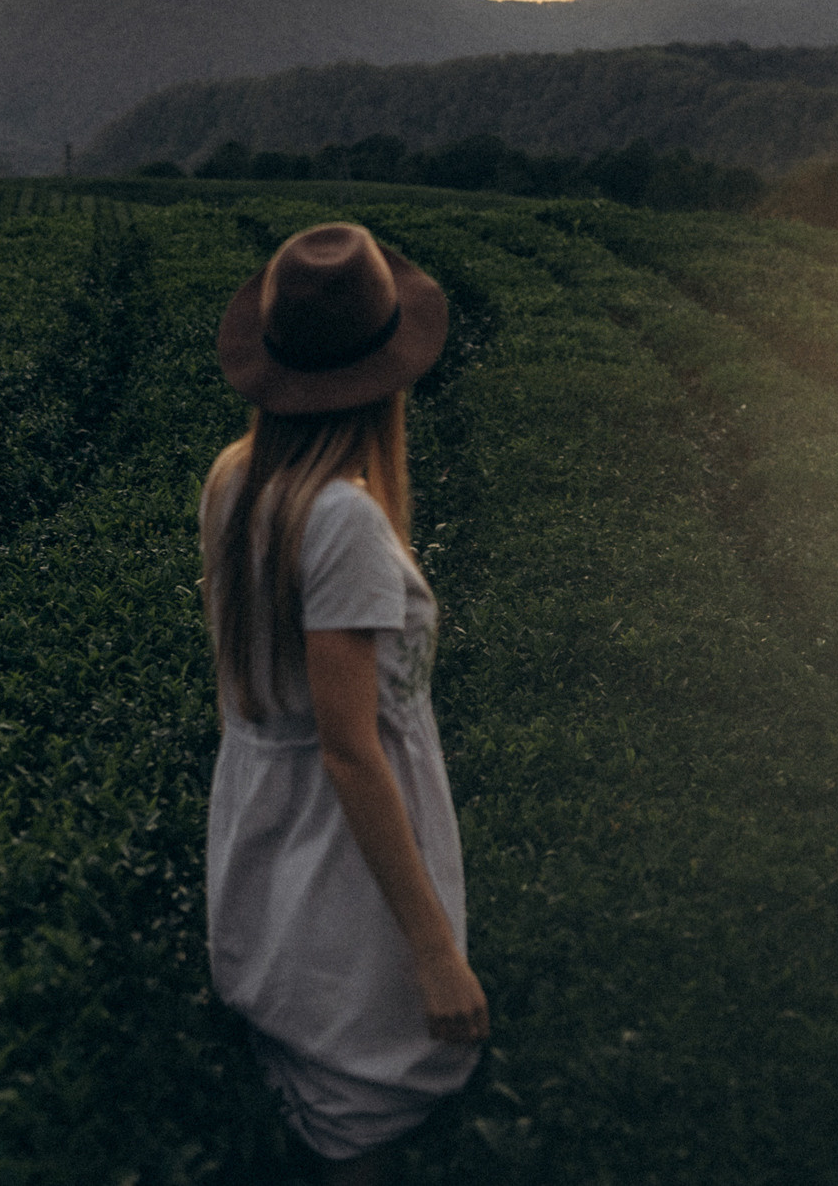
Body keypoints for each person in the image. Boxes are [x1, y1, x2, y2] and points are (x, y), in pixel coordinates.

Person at [199, 222, 488, 1183]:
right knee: (369, 1110)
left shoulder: (238, 480)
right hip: (341, 864)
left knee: (307, 1089)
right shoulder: (346, 520)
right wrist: (435, 949)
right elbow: (351, 749)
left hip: (266, 834)